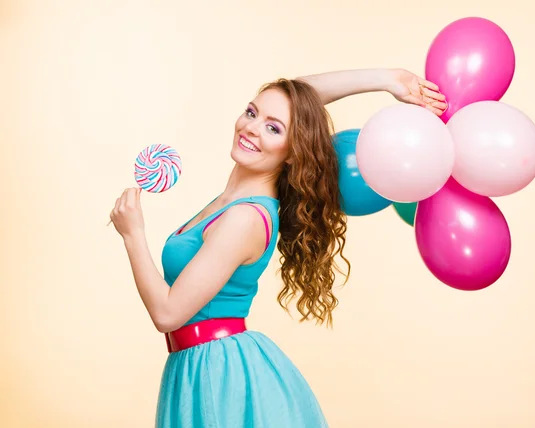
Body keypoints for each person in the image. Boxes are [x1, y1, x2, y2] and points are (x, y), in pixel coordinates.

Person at [109, 68, 446, 427]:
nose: (252, 128)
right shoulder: (233, 199)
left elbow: (167, 314)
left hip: (218, 377)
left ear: (292, 151)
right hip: (194, 366)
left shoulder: (244, 218)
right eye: (252, 113)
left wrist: (133, 235)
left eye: (273, 128)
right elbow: (297, 98)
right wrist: (386, 79)